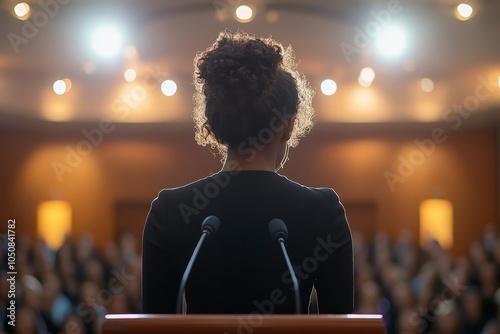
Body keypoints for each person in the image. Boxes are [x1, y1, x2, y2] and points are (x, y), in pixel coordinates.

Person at [142, 30, 353, 314]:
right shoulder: (322, 212)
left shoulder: (170, 211)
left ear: (216, 121)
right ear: (288, 126)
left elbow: (155, 326)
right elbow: (340, 325)